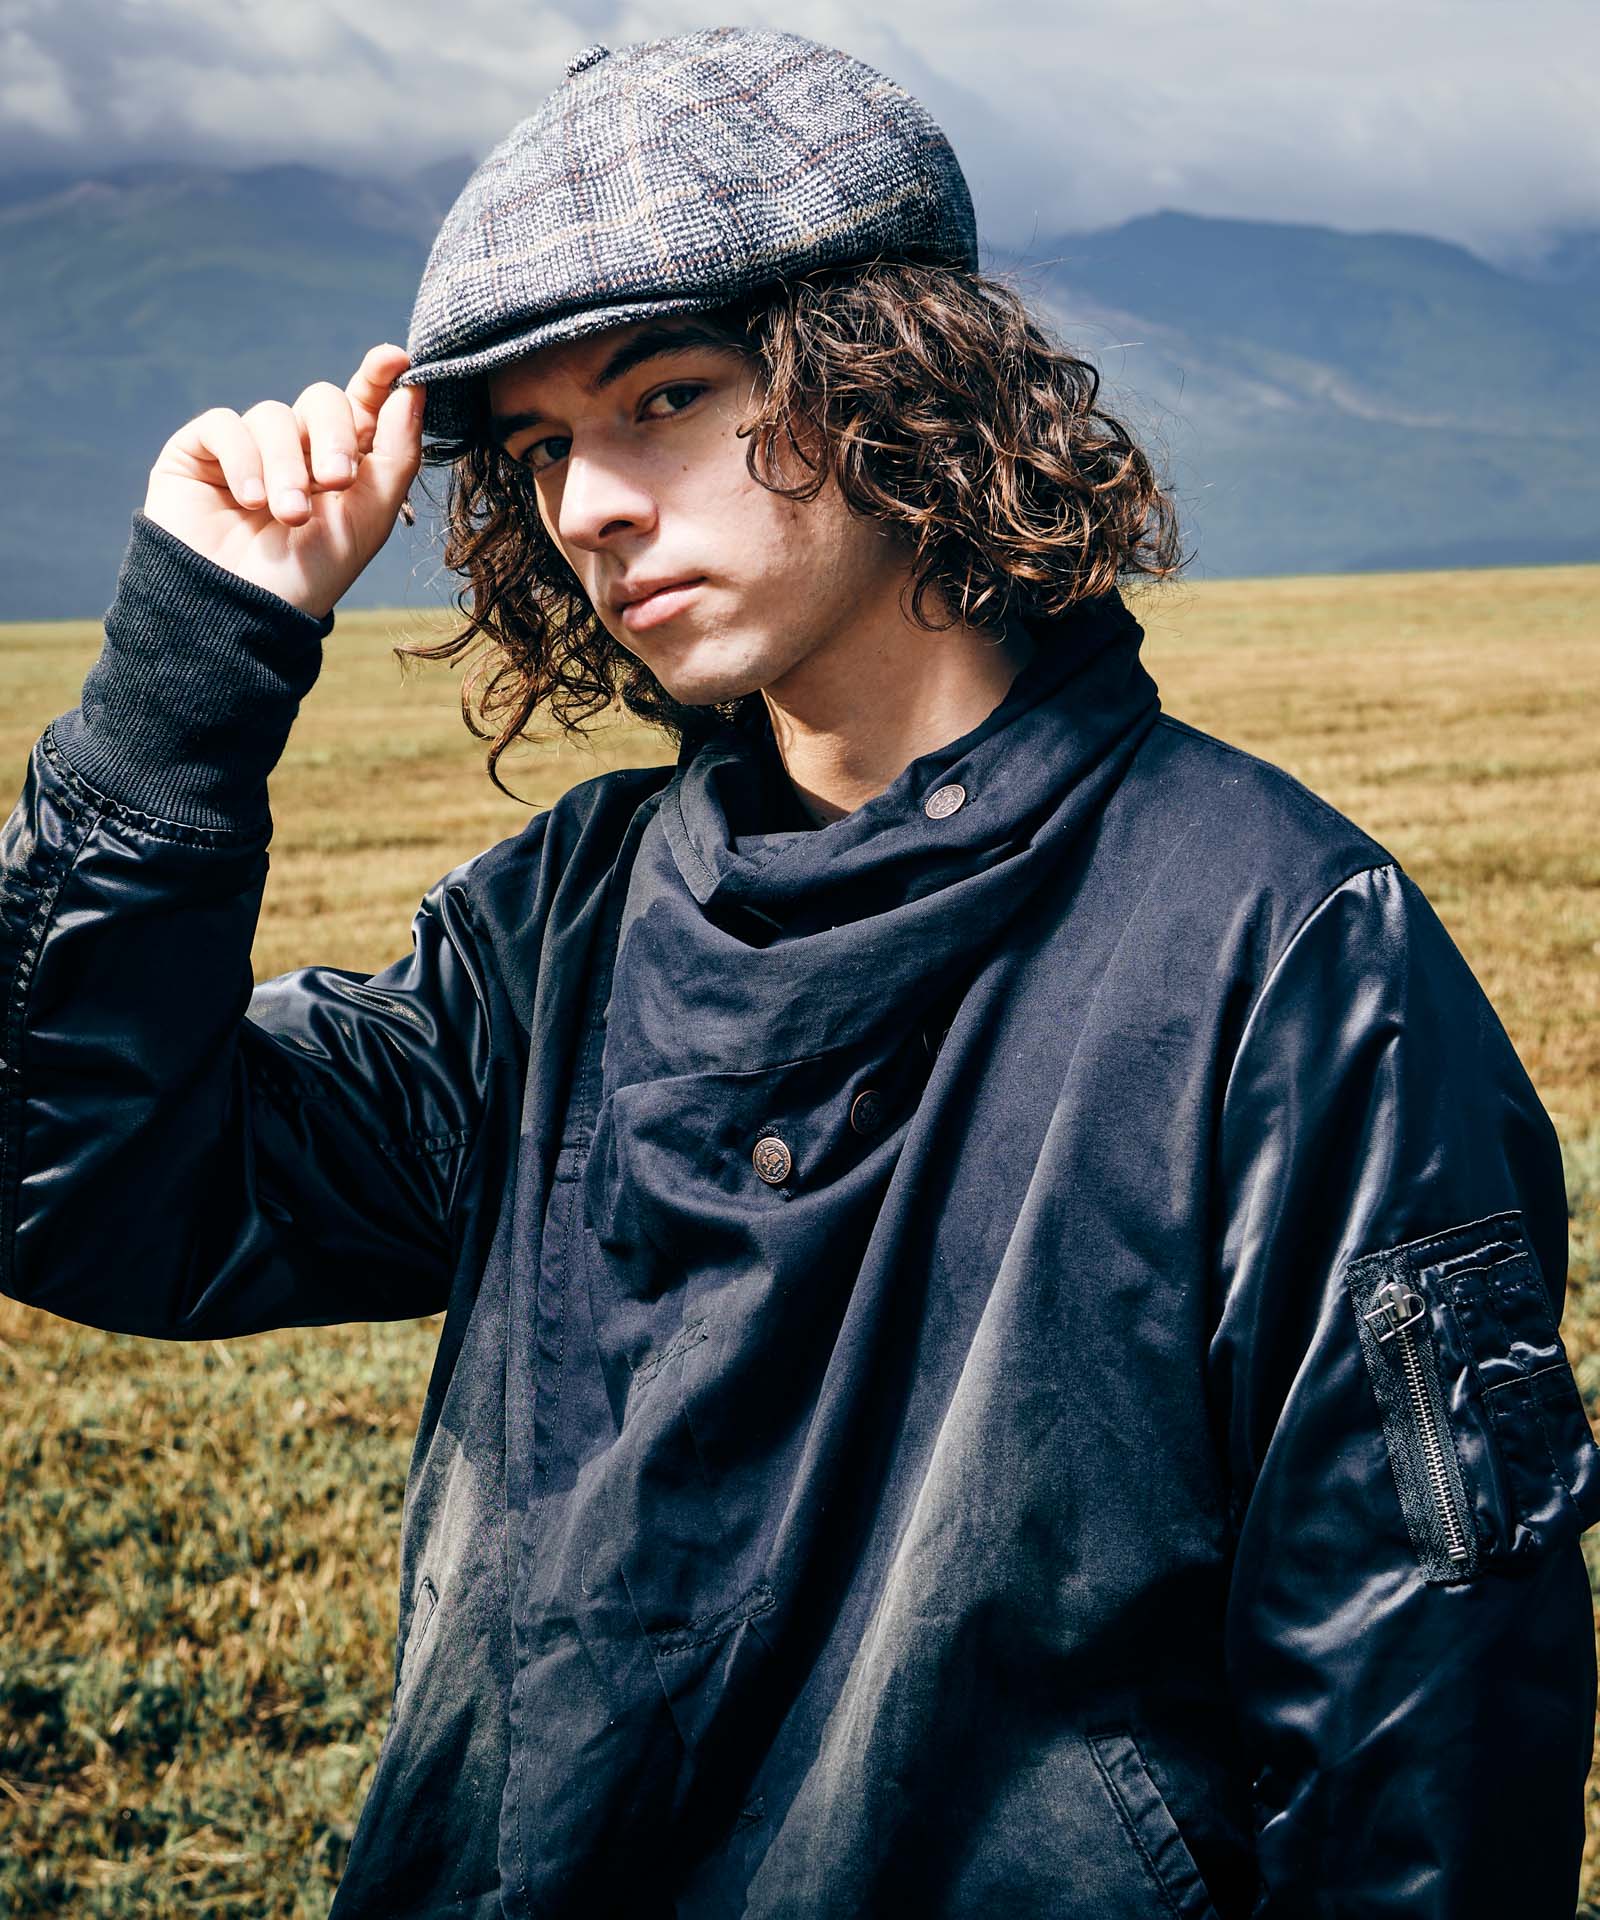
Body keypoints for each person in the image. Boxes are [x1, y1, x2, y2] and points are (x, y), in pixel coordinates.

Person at [1, 25, 1596, 1920]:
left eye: (663, 396)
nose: (587, 504)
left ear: (896, 378)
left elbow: (1421, 1744)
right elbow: (89, 1185)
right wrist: (195, 663)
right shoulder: (558, 930)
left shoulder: (1289, 952)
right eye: (540, 448)